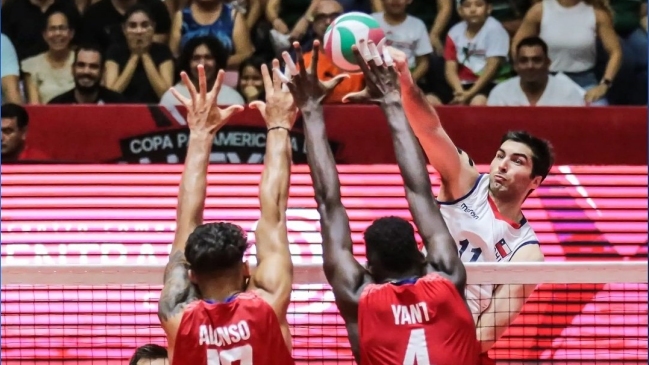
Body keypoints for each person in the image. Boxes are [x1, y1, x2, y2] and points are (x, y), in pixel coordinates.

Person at [276, 40, 479, 364]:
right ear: (422, 254)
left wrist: (311, 110)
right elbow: (420, 192)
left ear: (368, 266)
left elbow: (330, 204)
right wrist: (391, 101)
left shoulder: (359, 295)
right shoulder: (446, 276)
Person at [387, 45, 552, 361]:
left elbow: (490, 329)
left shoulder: (527, 251)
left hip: (455, 342)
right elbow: (430, 129)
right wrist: (406, 83)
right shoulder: (465, 182)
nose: (502, 165)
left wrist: (443, 351)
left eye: (517, 161)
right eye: (500, 155)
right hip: (408, 316)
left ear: (535, 182)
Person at [156, 62, 296, 365]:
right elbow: (274, 208)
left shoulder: (177, 316)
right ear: (247, 270)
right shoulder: (267, 303)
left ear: (191, 275)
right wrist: (278, 124)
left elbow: (186, 222)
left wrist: (200, 134)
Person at [487, 37, 586, 106]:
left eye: (537, 60)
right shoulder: (500, 93)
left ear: (548, 63)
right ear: (516, 65)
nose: (530, 66)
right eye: (524, 61)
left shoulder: (568, 92)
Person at [160, 36, 244, 106]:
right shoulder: (172, 98)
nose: (202, 64)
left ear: (218, 61)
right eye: (196, 58)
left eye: (208, 57)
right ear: (187, 63)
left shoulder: (233, 98)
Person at [49, 45, 126, 104]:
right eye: (81, 65)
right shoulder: (57, 105)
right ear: (72, 69)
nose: (86, 71)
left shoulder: (118, 104)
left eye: (93, 67)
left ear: (102, 72)